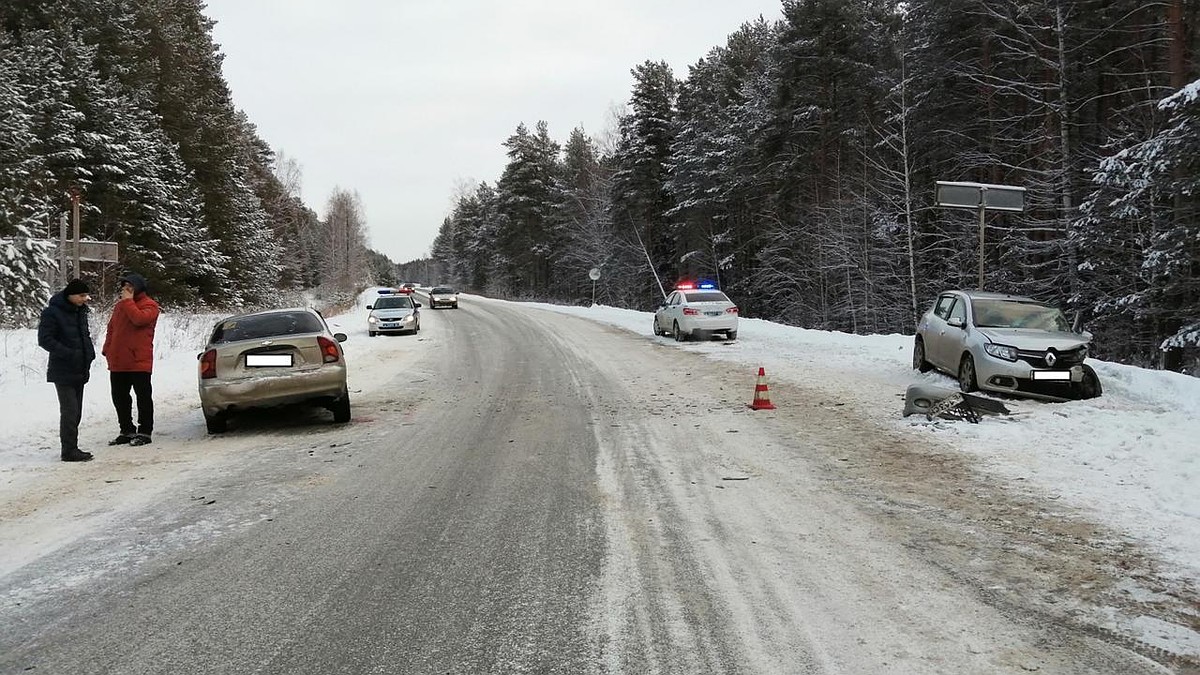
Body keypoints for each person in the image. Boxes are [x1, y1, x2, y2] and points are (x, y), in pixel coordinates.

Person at [38, 279, 97, 462]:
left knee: (77, 411)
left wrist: (89, 354)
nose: (85, 299)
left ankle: (72, 447)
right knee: (70, 410)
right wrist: (69, 353)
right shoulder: (52, 313)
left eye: (86, 295)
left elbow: (83, 335)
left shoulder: (80, 312)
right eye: (81, 295)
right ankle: (68, 450)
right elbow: (45, 339)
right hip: (63, 368)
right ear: (70, 295)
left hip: (80, 367)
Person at [102, 272, 160, 447]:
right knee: (119, 397)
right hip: (118, 360)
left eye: (130, 287)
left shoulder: (150, 305)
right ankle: (126, 429)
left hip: (139, 360)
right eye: (124, 287)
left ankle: (145, 431)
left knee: (143, 396)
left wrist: (128, 301)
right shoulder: (120, 306)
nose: (126, 291)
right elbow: (112, 328)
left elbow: (139, 319)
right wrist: (107, 349)